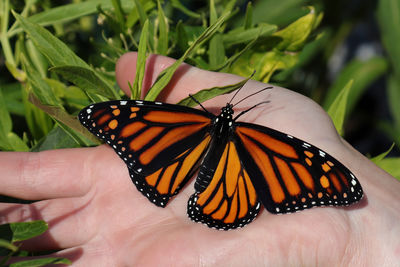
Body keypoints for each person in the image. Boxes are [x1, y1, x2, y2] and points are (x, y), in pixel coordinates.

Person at [1, 52, 399, 266]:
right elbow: (128, 124)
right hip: (231, 185)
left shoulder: (190, 122)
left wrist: (360, 231)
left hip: (180, 168)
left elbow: (143, 126)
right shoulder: (264, 139)